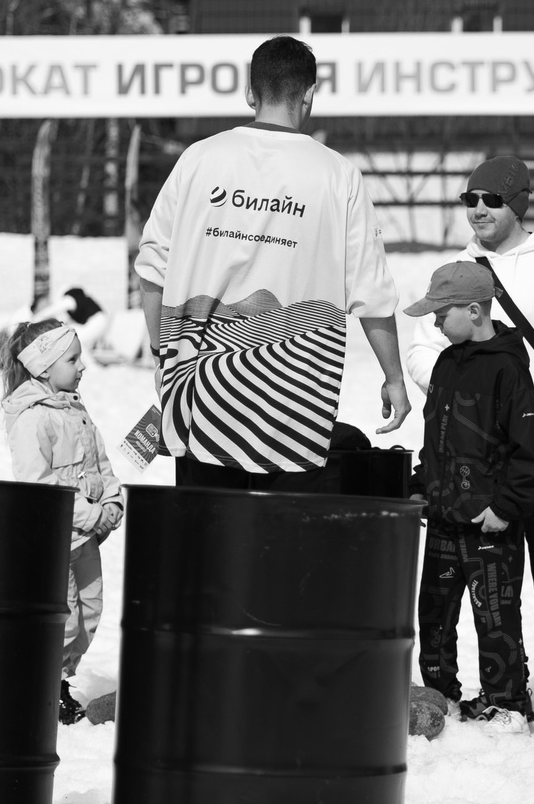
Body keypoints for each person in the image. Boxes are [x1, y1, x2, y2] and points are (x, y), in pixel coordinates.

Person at [133, 36, 408, 485]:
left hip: (199, 403)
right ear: (309, 95)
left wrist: (161, 353)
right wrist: (393, 377)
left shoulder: (198, 159)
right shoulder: (337, 174)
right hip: (295, 411)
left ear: (249, 93)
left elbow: (151, 266)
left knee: (207, 527)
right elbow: (371, 291)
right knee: (279, 530)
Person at [405, 156, 534, 730]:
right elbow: (422, 350)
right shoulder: (461, 270)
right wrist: (470, 393)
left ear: (517, 204)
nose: (477, 210)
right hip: (477, 462)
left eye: (490, 200)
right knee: (490, 590)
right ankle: (504, 689)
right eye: (469, 199)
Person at [407, 261, 534, 731]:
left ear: (473, 311)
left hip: (490, 524)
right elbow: (439, 438)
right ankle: (439, 696)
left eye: (440, 314)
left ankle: (507, 703)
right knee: (433, 615)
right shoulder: (446, 363)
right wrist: (422, 484)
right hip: (443, 518)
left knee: (495, 617)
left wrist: (504, 508)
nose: (434, 323)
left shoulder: (508, 368)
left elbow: (530, 449)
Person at [2, 317, 125, 725]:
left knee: (90, 612)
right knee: (64, 617)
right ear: (43, 366)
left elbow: (100, 463)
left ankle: (59, 680)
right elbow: (40, 485)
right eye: (72, 359)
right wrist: (92, 515)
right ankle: (43, 687)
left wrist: (112, 500)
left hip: (85, 537)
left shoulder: (76, 409)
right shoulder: (32, 418)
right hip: (55, 539)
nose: (82, 366)